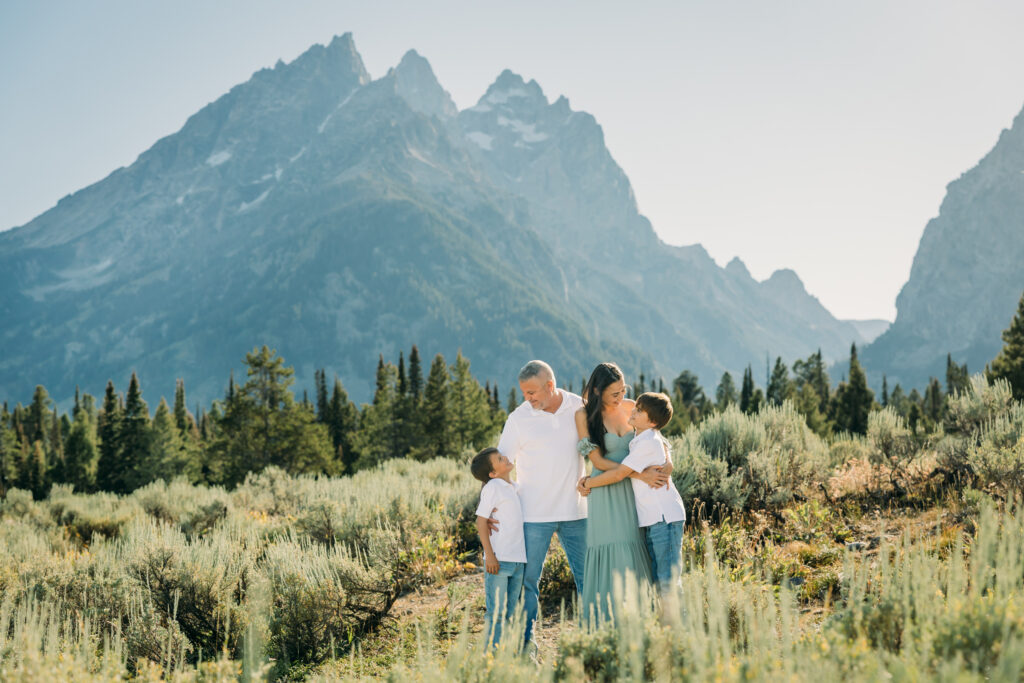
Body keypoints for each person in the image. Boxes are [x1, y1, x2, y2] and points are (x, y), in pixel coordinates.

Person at [495, 360, 587, 647]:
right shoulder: (518, 419)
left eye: (533, 392)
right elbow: (499, 466)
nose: (528, 398)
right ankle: (525, 649)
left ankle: (598, 643)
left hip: (577, 513)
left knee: (591, 580)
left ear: (550, 385)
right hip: (533, 515)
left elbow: (617, 409)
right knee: (526, 584)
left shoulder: (578, 407)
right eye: (524, 393)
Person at [575, 363, 668, 623]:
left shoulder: (631, 408)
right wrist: (640, 473)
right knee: (611, 550)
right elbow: (599, 462)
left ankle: (641, 623)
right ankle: (607, 627)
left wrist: (666, 463)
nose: (620, 397)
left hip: (634, 492)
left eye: (622, 390)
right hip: (605, 489)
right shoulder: (583, 416)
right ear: (597, 391)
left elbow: (658, 438)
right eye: (614, 393)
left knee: (635, 547)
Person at [579, 392, 686, 592]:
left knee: (667, 581)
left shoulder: (646, 442)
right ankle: (666, 623)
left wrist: (589, 483)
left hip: (665, 518)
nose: (633, 411)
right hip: (654, 519)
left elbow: (620, 473)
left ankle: (678, 622)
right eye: (636, 407)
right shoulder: (641, 437)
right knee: (658, 578)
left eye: (640, 411)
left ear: (652, 422)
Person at [472, 447, 527, 648]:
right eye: (500, 459)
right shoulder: (493, 487)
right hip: (499, 560)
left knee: (511, 612)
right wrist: (490, 556)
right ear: (493, 474)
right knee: (496, 612)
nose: (506, 458)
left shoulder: (513, 487)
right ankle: (491, 657)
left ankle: (506, 654)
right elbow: (481, 521)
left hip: (518, 560)